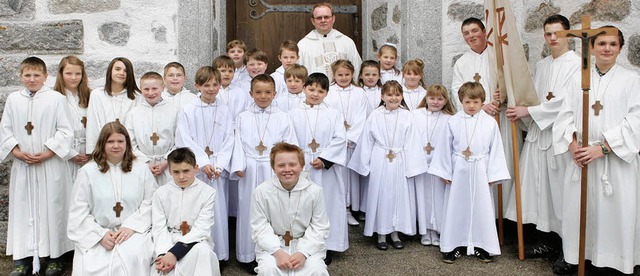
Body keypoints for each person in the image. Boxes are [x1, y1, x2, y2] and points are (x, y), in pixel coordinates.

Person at [552, 26, 640, 275]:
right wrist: (573, 145)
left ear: (620, 48)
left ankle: (614, 261)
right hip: (581, 157)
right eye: (601, 44)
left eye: (613, 44)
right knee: (578, 211)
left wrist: (603, 148)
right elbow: (564, 115)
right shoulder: (579, 79)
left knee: (615, 211)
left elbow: (637, 120)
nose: (607, 49)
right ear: (591, 48)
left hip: (614, 159)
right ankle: (579, 255)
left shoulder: (632, 80)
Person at [504, 14, 580, 260]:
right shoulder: (542, 65)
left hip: (558, 136)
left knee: (557, 193)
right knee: (537, 191)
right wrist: (521, 108)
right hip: (538, 134)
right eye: (548, 34)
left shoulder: (578, 65)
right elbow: (534, 96)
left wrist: (530, 111)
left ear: (569, 34)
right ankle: (544, 241)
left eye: (558, 32)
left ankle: (564, 247)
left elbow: (568, 102)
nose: (553, 38)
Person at [1, 56, 74, 276]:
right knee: (24, 209)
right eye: (27, 75)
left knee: (53, 209)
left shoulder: (56, 99)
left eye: (36, 75)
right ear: (21, 76)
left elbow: (65, 131)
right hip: (23, 165)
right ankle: (22, 258)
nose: (32, 79)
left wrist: (48, 152)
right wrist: (16, 151)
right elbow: (5, 129)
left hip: (49, 165)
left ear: (45, 76)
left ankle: (54, 258)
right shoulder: (14, 99)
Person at [429, 82, 510, 264]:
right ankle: (454, 245)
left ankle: (482, 245)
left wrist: (493, 175)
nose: (471, 106)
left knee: (482, 208)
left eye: (475, 102)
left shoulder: (489, 123)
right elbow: (444, 147)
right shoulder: (453, 121)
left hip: (480, 169)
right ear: (461, 102)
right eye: (467, 102)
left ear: (482, 102)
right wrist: (445, 172)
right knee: (456, 208)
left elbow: (495, 149)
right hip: (459, 170)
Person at [67, 122, 157, 275]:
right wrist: (100, 236)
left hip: (133, 232)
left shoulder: (141, 169)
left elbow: (152, 202)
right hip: (98, 233)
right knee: (93, 263)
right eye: (110, 141)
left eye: (120, 141)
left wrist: (131, 226)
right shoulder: (88, 172)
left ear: (127, 143)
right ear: (102, 144)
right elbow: (78, 212)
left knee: (134, 256)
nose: (116, 146)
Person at [451, 18, 519, 218]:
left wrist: (503, 95)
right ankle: (482, 215)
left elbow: (514, 85)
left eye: (474, 30)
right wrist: (483, 106)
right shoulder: (462, 62)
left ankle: (503, 216)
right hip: (475, 124)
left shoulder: (499, 58)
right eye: (466, 33)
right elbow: (457, 91)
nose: (471, 36)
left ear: (484, 32)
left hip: (499, 121)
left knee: (502, 163)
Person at [348, 80, 427, 251]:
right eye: (389, 94)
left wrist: (412, 166)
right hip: (380, 158)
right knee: (381, 194)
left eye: (397, 94)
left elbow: (413, 141)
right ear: (382, 96)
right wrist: (364, 164)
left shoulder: (407, 115)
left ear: (402, 96)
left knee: (398, 196)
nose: (393, 97)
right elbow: (367, 140)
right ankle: (382, 234)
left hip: (399, 158)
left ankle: (395, 233)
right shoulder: (375, 115)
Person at [230, 74, 297, 271]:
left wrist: (284, 168)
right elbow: (237, 143)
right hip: (249, 168)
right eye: (258, 92)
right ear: (250, 93)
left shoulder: (282, 117)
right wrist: (238, 165)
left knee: (275, 211)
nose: (263, 96)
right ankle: (247, 255)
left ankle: (274, 253)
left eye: (268, 92)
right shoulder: (242, 117)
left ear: (275, 94)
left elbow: (289, 143)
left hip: (273, 169)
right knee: (248, 210)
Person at [175, 66, 234, 263]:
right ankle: (197, 255)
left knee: (218, 211)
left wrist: (218, 165)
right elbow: (185, 139)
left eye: (215, 84)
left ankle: (220, 255)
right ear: (197, 86)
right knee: (197, 212)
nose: (211, 88)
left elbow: (229, 139)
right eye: (206, 85)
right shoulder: (188, 110)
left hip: (217, 170)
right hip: (198, 169)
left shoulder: (225, 110)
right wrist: (203, 162)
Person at [288, 72, 347, 264]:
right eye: (311, 89)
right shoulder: (293, 113)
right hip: (302, 167)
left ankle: (326, 245)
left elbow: (340, 139)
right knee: (302, 207)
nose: (315, 94)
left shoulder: (334, 113)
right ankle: (302, 246)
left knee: (326, 206)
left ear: (327, 93)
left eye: (320, 91)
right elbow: (289, 137)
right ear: (304, 88)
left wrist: (324, 158)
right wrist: (298, 160)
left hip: (325, 169)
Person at [250, 142, 330, 275]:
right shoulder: (262, 191)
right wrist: (277, 253)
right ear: (273, 168)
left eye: (292, 164)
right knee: (269, 269)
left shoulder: (315, 192)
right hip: (273, 246)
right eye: (281, 165)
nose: (287, 169)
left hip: (307, 245)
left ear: (302, 166)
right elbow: (259, 226)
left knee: (316, 270)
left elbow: (320, 227)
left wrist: (303, 253)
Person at [151, 147, 221, 276]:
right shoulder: (160, 194)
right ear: (170, 172)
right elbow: (158, 228)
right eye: (176, 172)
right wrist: (164, 253)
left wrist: (175, 253)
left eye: (186, 171)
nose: (181, 176)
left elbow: (202, 228)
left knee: (203, 252)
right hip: (168, 239)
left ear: (196, 168)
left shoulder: (207, 193)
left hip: (195, 240)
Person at [411, 84, 456, 247]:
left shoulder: (450, 118)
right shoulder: (415, 115)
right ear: (426, 98)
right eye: (432, 98)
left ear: (445, 101)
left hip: (440, 165)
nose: (435, 102)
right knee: (423, 197)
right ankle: (425, 230)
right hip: (420, 162)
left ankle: (438, 230)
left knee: (438, 198)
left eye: (440, 99)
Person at [325, 60, 368, 226]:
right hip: (336, 143)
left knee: (350, 178)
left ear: (352, 74)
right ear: (334, 75)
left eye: (347, 74)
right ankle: (338, 209)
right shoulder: (329, 93)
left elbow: (361, 117)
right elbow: (329, 117)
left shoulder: (359, 93)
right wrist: (340, 139)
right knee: (338, 177)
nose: (343, 78)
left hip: (352, 143)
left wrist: (350, 137)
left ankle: (350, 209)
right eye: (340, 75)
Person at [125, 72, 180, 186]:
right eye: (146, 89)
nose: (150, 93)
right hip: (142, 165)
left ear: (163, 88)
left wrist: (166, 161)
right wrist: (146, 162)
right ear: (140, 89)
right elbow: (130, 143)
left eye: (155, 88)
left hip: (169, 165)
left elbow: (179, 140)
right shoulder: (133, 114)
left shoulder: (175, 111)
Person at [212, 55, 249, 219]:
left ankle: (234, 216)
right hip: (217, 139)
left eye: (230, 71)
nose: (226, 74)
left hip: (236, 136)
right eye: (222, 70)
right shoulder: (213, 91)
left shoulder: (241, 92)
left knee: (235, 181)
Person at [86, 57, 140, 153]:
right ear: (110, 71)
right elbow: (93, 124)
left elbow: (137, 127)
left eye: (126, 71)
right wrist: (94, 151)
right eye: (117, 69)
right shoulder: (97, 94)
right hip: (103, 148)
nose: (121, 73)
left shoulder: (137, 97)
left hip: (129, 149)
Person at [54, 55, 92, 182]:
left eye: (78, 73)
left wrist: (91, 150)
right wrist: (70, 154)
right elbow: (51, 129)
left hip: (88, 154)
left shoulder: (91, 96)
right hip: (64, 154)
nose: (74, 77)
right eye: (69, 73)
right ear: (61, 74)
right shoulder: (54, 98)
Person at [298, 2, 362, 77]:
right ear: (313, 21)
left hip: (343, 88)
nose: (323, 20)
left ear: (333, 18)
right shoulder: (303, 45)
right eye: (319, 18)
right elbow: (298, 73)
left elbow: (357, 69)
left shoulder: (346, 42)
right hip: (315, 88)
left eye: (326, 17)